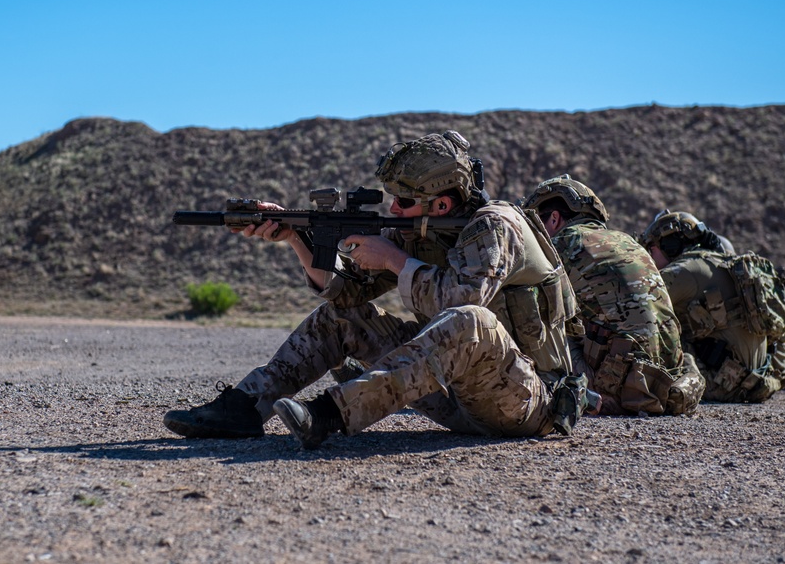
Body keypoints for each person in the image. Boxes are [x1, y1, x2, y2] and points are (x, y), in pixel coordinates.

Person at [164, 130, 585, 448]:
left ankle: (328, 415)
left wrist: (392, 258)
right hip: (457, 397)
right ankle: (243, 407)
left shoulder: (496, 225)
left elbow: (462, 303)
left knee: (470, 320)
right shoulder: (420, 230)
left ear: (441, 205)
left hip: (526, 401)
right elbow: (345, 295)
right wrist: (296, 237)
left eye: (402, 201)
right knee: (343, 319)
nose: (393, 210)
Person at [521, 176, 704, 416]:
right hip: (669, 381)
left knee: (523, 308)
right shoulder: (628, 242)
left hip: (619, 389)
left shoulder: (564, 242)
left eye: (537, 224)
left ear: (554, 218)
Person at [638, 210, 785, 403]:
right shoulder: (725, 263)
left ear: (671, 245)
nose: (649, 257)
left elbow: (635, 304)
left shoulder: (684, 270)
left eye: (651, 249)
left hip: (718, 385)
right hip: (757, 384)